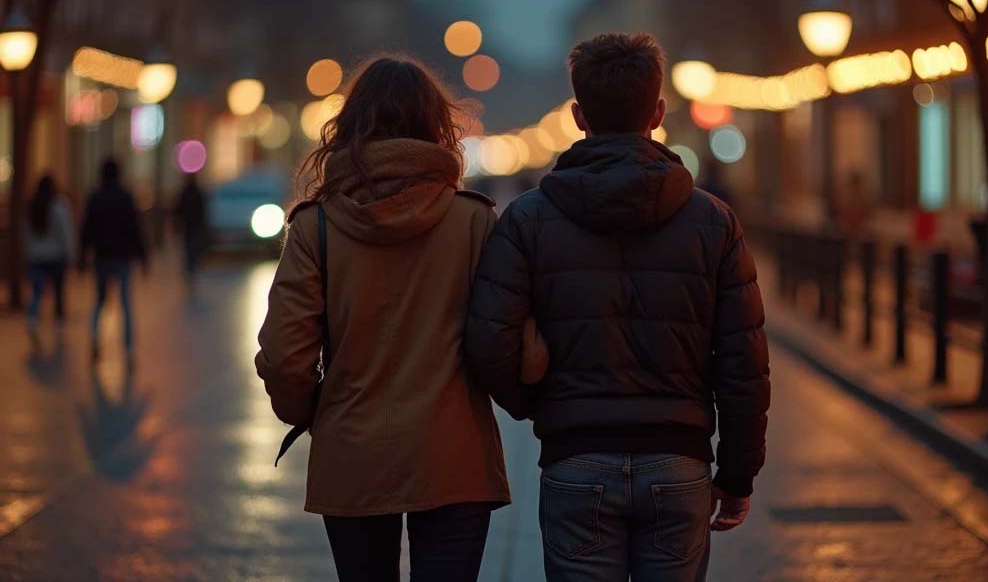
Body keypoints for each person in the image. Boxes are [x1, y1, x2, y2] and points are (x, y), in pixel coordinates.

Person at [464, 33, 771, 582]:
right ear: (657, 112)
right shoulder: (713, 222)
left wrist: (545, 407)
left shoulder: (529, 221)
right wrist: (739, 472)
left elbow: (490, 342)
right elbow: (743, 361)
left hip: (576, 458)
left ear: (579, 115)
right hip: (679, 459)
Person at [255, 56, 517, 582]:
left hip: (352, 455)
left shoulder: (316, 227)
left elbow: (286, 354)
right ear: (435, 127)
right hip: (454, 455)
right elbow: (506, 338)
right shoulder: (474, 222)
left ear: (348, 126)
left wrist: (314, 411)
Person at [80, 158, 147, 367]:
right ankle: (128, 350)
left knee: (99, 302)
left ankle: (94, 340)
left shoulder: (95, 197)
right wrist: (143, 257)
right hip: (122, 258)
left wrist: (82, 256)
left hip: (102, 257)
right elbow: (135, 229)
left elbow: (86, 229)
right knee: (125, 304)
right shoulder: (126, 197)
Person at [25, 175, 76, 349]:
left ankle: (32, 320)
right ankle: (59, 328)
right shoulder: (59, 206)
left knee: (37, 292)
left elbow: (26, 234)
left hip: (37, 256)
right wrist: (70, 254)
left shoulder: (32, 206)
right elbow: (65, 232)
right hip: (56, 256)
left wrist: (29, 252)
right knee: (58, 293)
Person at [173, 174, 207, 295]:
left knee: (189, 248)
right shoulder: (197, 192)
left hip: (188, 226)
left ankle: (190, 268)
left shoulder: (186, 192)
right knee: (192, 248)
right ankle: (191, 268)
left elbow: (178, 209)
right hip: (193, 226)